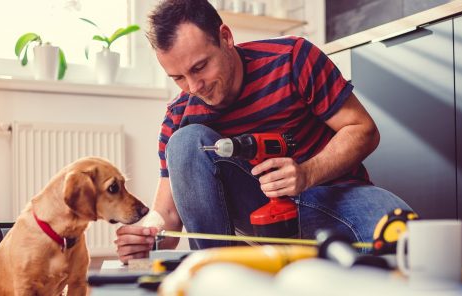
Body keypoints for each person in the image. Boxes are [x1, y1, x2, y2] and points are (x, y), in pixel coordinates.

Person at [114, 0, 412, 263]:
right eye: (178, 77)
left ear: (226, 38)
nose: (194, 87)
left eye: (200, 67)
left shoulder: (292, 58)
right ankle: (217, 272)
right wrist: (145, 239)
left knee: (402, 232)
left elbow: (363, 129)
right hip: (260, 218)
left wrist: (307, 173)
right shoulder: (180, 114)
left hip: (335, 199)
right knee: (185, 142)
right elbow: (167, 216)